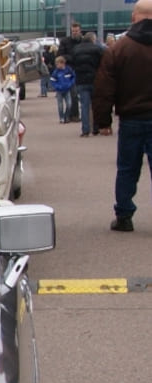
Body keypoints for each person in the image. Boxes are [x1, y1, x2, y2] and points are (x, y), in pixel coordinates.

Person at [95, 0, 152, 231]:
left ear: (133, 17)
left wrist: (103, 121)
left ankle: (124, 216)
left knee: (127, 169)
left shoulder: (118, 49)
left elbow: (104, 88)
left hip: (131, 119)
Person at [71, 29, 107, 135]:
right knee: (95, 105)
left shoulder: (76, 49)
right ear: (93, 39)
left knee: (84, 105)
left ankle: (85, 130)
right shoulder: (98, 49)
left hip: (81, 80)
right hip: (95, 79)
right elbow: (103, 63)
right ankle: (95, 128)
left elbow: (73, 63)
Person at [63, 21, 86, 118]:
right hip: (70, 71)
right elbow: (61, 55)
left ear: (80, 31)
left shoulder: (84, 42)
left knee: (83, 94)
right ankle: (74, 115)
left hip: (82, 70)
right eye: (73, 31)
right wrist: (71, 57)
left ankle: (83, 115)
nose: (75, 33)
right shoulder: (65, 42)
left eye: (76, 31)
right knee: (74, 94)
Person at [51, 55, 76, 123]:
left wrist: (70, 84)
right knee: (60, 105)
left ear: (62, 63)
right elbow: (53, 80)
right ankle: (61, 117)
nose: (57, 65)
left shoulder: (68, 70)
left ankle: (66, 116)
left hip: (67, 89)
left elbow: (73, 77)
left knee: (69, 104)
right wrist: (57, 86)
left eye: (58, 64)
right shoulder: (56, 72)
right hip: (59, 91)